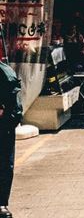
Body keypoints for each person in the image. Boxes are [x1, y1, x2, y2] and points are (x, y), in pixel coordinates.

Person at [0, 60, 23, 218]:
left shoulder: (4, 73)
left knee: (4, 165)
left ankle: (1, 203)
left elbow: (13, 105)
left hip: (4, 127)